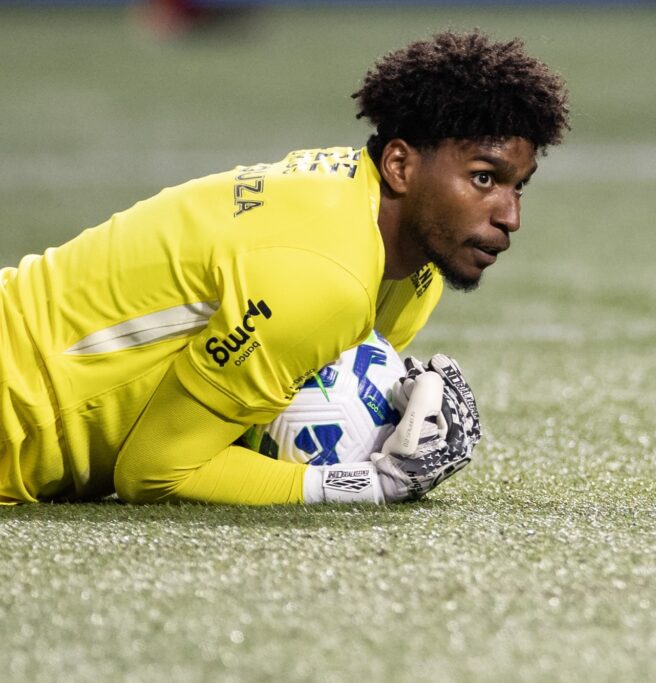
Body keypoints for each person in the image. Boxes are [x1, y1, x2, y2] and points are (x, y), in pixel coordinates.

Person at [0, 31, 570, 506]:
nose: (511, 216)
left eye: (519, 186)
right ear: (399, 164)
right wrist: (368, 483)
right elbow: (154, 473)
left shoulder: (411, 270)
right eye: (484, 178)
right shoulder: (327, 277)